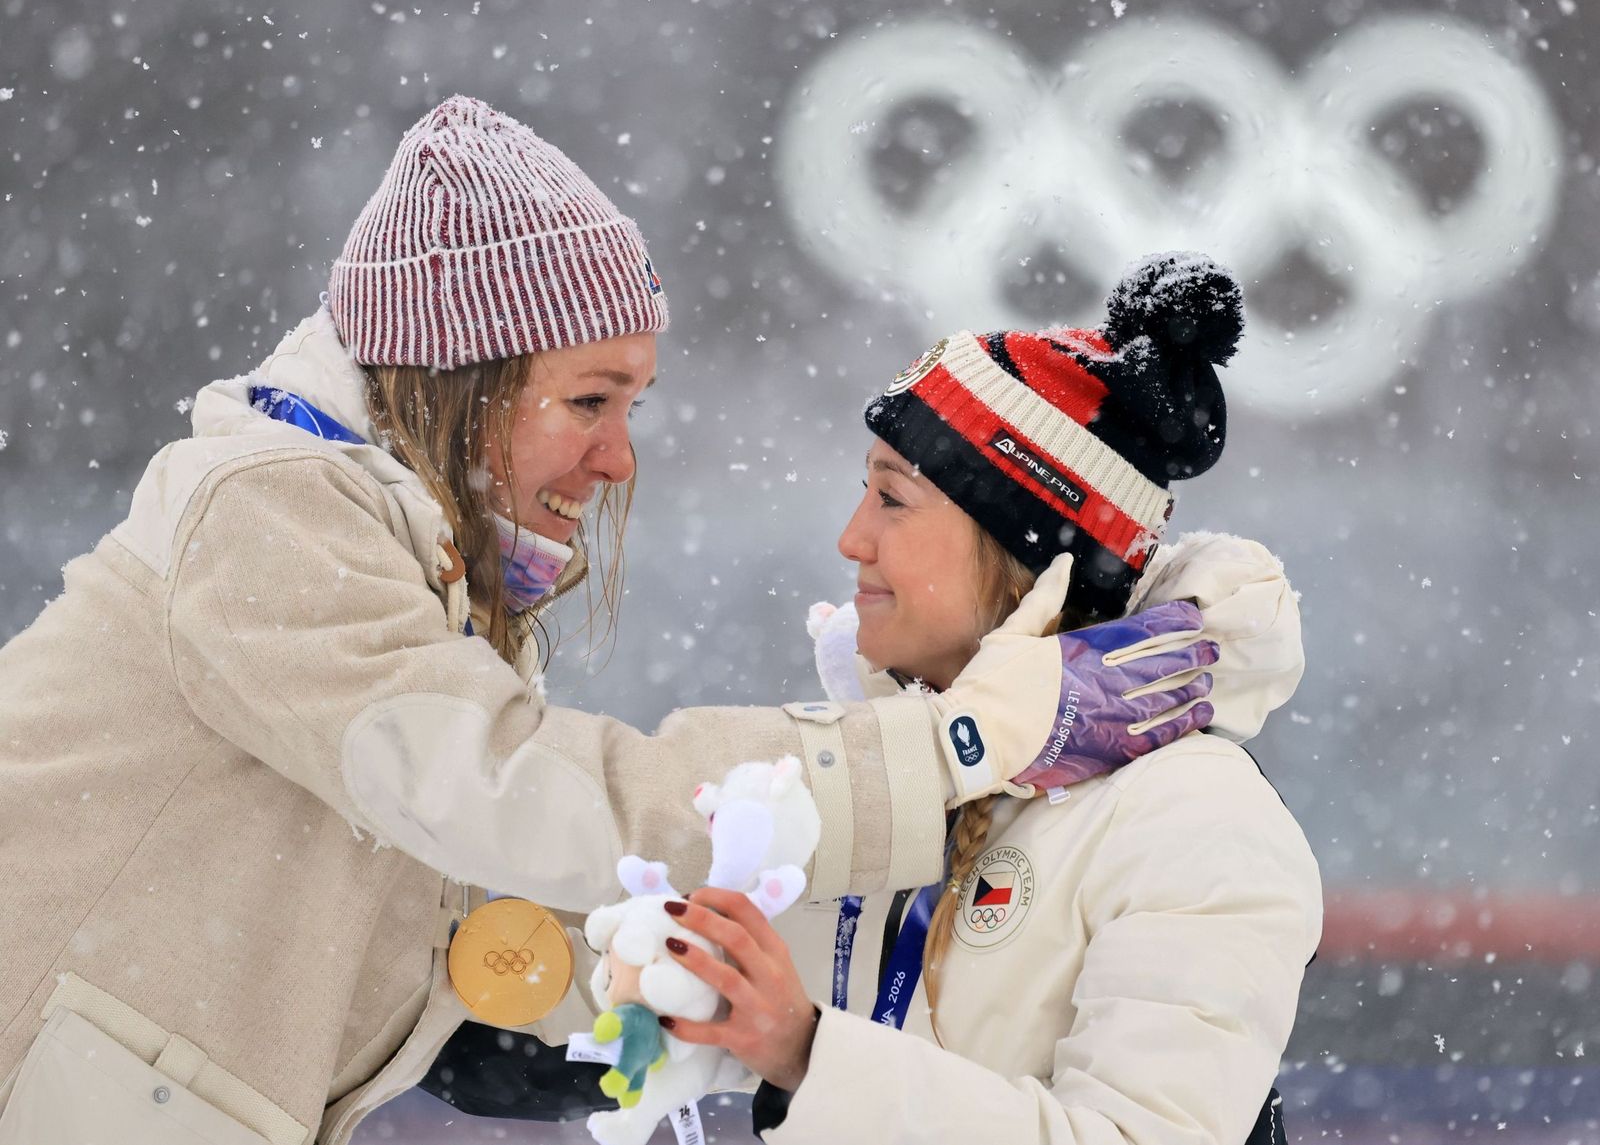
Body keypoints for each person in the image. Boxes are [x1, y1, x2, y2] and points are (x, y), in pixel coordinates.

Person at [0, 98, 1216, 1145]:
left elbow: (452, 884)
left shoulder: (404, 559)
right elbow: (503, 790)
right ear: (456, 377)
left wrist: (639, 1000)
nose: (620, 457)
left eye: (631, 402)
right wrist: (951, 746)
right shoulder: (266, 517)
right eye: (589, 398)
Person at [658, 254, 1324, 1144]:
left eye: (893, 498)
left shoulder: (1194, 814)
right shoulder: (905, 774)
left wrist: (810, 1057)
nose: (852, 536)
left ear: (1028, 559)